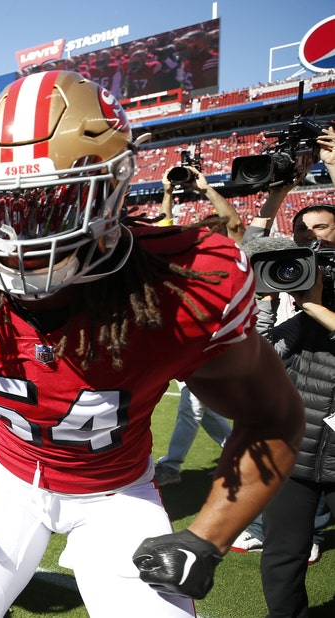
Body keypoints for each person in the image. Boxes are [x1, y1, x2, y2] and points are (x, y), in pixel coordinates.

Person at [0, 70, 303, 617]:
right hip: (4, 478)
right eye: (2, 206)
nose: (23, 234)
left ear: (115, 186)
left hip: (116, 493)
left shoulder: (181, 283)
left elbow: (274, 418)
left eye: (54, 202)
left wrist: (207, 537)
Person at [249, 225, 335, 617]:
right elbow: (258, 357)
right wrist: (267, 301)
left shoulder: (317, 311)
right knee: (283, 556)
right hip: (296, 458)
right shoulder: (306, 320)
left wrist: (317, 306)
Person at [153, 164, 241, 486]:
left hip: (212, 348)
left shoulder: (228, 258)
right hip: (183, 347)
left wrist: (205, 189)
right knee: (205, 412)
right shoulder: (183, 262)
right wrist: (166, 193)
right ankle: (236, 453)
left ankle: (171, 467)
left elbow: (235, 225)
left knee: (192, 408)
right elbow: (163, 227)